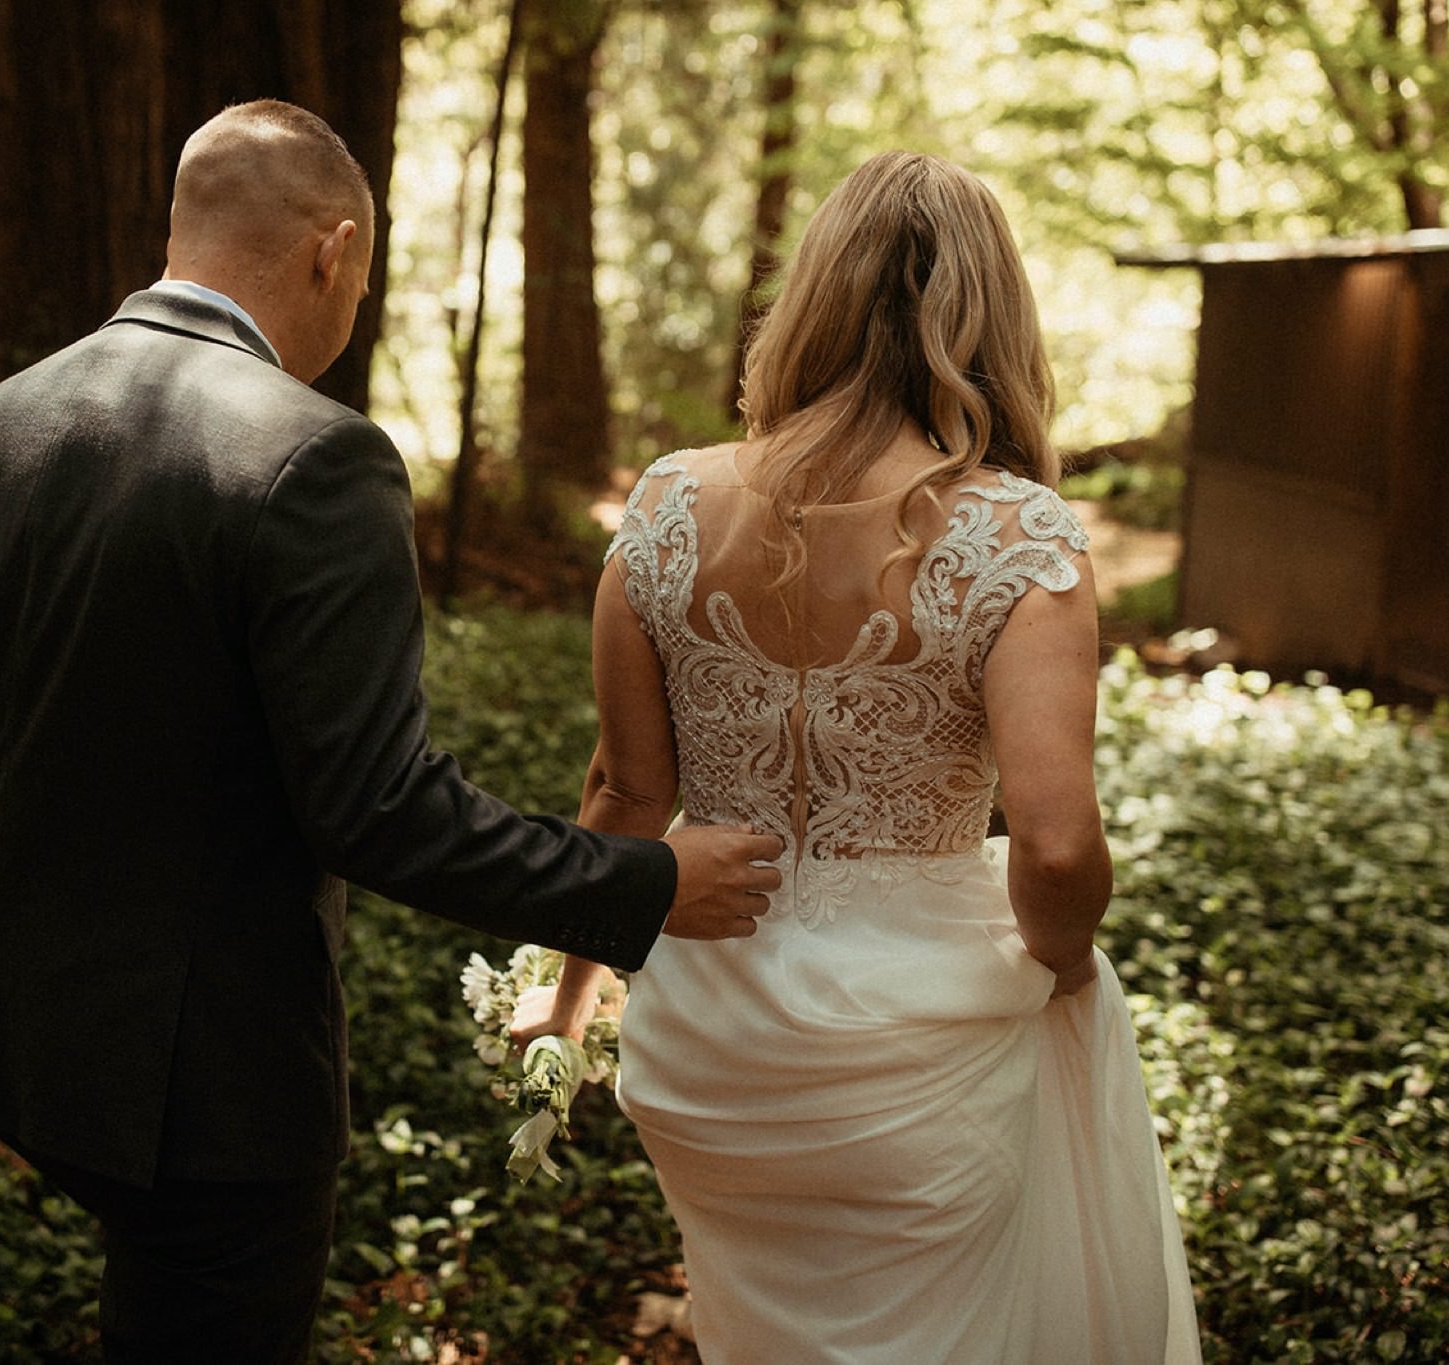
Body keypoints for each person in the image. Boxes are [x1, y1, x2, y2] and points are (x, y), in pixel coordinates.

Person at [0, 100, 781, 1363]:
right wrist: (641, 883)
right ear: (332, 249)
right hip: (203, 1085)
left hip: (9, 1031)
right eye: (359, 276)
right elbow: (375, 810)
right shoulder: (315, 460)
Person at [512, 151, 1203, 1363]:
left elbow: (625, 794)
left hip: (711, 1054)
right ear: (992, 318)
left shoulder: (668, 506)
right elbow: (1050, 843)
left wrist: (565, 1006)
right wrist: (1059, 977)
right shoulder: (1015, 535)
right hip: (916, 1051)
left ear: (811, 300)